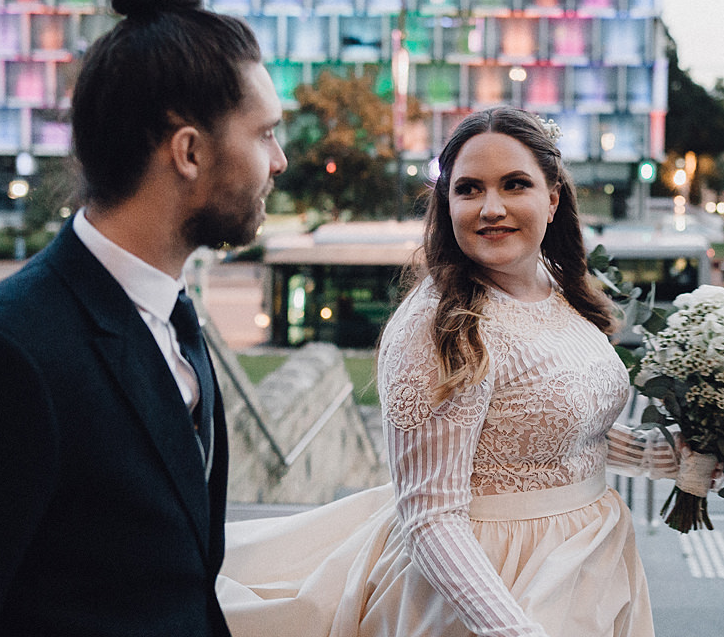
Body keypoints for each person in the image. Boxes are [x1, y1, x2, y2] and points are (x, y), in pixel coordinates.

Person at [0, 0, 287, 637]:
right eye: (265, 134)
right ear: (189, 151)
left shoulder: (173, 320)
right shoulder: (0, 360)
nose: (280, 160)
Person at [217, 107, 682, 637]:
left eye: (514, 184)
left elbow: (553, 427)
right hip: (487, 591)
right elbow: (430, 517)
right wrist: (512, 631)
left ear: (552, 199)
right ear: (447, 203)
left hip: (590, 566)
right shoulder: (439, 328)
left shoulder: (560, 288)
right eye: (468, 189)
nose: (491, 208)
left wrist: (659, 457)